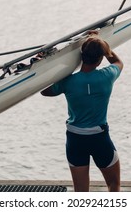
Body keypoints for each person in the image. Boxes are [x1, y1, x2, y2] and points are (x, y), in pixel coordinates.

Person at [40, 31, 123, 192]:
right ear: (100, 59)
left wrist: (64, 70)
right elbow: (118, 61)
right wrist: (101, 41)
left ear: (81, 56)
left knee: (81, 191)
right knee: (114, 185)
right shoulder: (108, 76)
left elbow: (44, 91)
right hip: (100, 139)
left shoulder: (68, 81)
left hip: (75, 141)